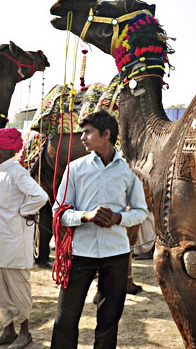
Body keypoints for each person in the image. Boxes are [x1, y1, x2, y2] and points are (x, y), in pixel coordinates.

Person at [50, 110, 148, 349]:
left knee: (108, 321)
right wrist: (85, 216)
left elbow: (141, 211)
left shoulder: (127, 172)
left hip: (116, 255)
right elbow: (59, 211)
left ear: (106, 134)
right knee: (65, 320)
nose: (82, 137)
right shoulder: (75, 168)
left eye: (88, 132)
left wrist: (118, 218)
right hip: (79, 254)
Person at [0, 128, 48, 349]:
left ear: (7, 150)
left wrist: (24, 211)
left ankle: (25, 333)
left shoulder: (17, 172)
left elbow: (40, 196)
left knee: (17, 288)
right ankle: (8, 332)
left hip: (14, 241)